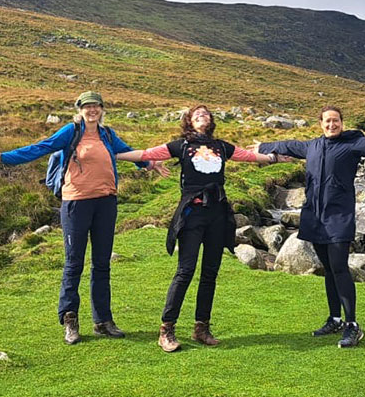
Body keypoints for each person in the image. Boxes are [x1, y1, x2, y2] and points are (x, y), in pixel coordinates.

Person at [0, 91, 160, 345]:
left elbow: (126, 152)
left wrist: (149, 163)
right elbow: (41, 147)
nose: (92, 110)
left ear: (102, 109)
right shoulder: (70, 131)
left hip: (106, 203)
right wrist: (4, 158)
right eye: (87, 106)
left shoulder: (107, 134)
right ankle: (70, 320)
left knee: (102, 263)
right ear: (80, 110)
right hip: (76, 203)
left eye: (96, 106)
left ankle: (103, 321)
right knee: (74, 264)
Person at [254, 107, 365, 348]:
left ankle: (352, 325)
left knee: (339, 267)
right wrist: (263, 147)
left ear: (342, 122)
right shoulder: (312, 146)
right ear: (320, 123)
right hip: (314, 216)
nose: (332, 124)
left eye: (336, 121)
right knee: (328, 268)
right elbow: (289, 145)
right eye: (327, 121)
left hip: (338, 216)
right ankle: (335, 318)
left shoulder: (352, 145)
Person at [116, 104, 282, 352]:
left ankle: (201, 328)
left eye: (205, 113)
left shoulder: (221, 146)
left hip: (218, 213)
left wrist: (274, 157)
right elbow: (145, 153)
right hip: (192, 214)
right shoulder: (180, 145)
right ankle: (167, 329)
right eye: (197, 114)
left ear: (211, 121)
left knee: (210, 273)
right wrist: (113, 154)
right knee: (185, 270)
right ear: (189, 122)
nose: (202, 115)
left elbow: (247, 156)